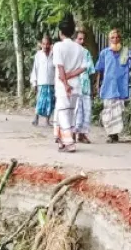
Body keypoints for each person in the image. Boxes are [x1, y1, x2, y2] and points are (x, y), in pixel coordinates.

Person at [95, 28, 131, 143]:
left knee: (118, 111)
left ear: (120, 39)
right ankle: (110, 133)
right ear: (109, 39)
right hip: (108, 86)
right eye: (113, 37)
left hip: (120, 86)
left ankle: (115, 134)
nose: (115, 39)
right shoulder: (104, 53)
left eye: (117, 37)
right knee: (108, 110)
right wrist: (97, 84)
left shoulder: (125, 52)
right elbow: (99, 69)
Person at [51, 18, 88, 153]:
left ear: (61, 32)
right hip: (76, 86)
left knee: (62, 113)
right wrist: (71, 75)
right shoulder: (80, 48)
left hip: (63, 86)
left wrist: (65, 81)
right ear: (72, 33)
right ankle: (61, 140)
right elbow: (84, 67)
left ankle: (69, 142)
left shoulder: (58, 46)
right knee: (71, 113)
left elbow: (60, 67)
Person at [74, 31, 95, 144]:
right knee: (75, 110)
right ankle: (72, 133)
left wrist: (92, 87)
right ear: (74, 39)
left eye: (83, 39)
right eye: (79, 39)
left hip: (85, 86)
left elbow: (91, 70)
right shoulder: (70, 52)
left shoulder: (86, 52)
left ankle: (82, 134)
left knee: (86, 110)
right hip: (74, 85)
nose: (81, 41)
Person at [30, 34, 55, 126]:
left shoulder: (54, 55)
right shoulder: (38, 55)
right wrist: (34, 83)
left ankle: (47, 121)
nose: (45, 46)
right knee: (39, 101)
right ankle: (36, 118)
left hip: (52, 82)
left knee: (50, 102)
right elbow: (35, 69)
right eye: (43, 44)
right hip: (41, 82)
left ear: (50, 44)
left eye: (47, 44)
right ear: (41, 44)